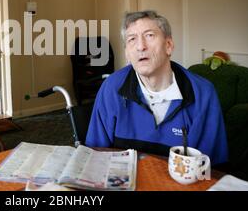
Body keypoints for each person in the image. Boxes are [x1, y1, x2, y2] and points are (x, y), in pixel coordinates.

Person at [85, 10, 228, 166]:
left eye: (149, 35)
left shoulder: (203, 94)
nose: (140, 46)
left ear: (168, 45)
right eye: (132, 39)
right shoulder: (111, 88)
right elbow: (95, 155)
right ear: (127, 53)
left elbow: (210, 169)